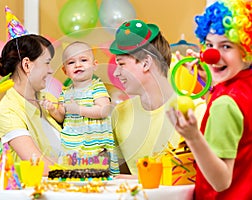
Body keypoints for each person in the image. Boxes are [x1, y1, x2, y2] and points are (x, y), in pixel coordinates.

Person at [166, 0, 252, 199]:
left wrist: (192, 136)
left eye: (226, 46)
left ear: (245, 51)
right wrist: (207, 82)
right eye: (209, 44)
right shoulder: (240, 88)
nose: (212, 55)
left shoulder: (226, 103)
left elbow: (221, 182)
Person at [109, 19, 182, 175]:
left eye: (121, 64)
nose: (116, 73)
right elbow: (121, 178)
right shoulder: (119, 114)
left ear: (145, 63)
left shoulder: (195, 111)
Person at [45, 41, 119, 175]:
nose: (78, 65)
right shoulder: (65, 92)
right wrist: (53, 110)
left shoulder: (96, 87)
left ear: (94, 65)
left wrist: (78, 109)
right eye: (71, 62)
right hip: (72, 146)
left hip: (95, 146)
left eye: (83, 60)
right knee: (74, 178)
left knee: (97, 177)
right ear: (65, 70)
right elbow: (62, 116)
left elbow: (104, 110)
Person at [0, 34, 62, 176]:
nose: (50, 70)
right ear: (27, 65)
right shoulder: (8, 111)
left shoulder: (48, 99)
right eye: (46, 62)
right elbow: (39, 165)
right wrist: (83, 173)